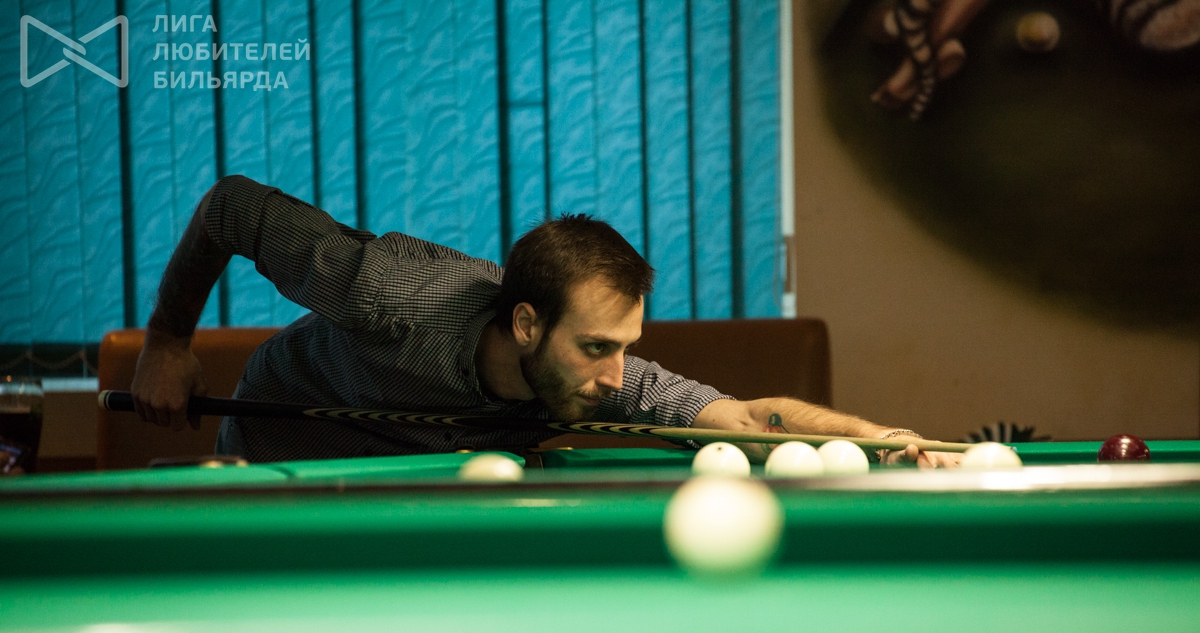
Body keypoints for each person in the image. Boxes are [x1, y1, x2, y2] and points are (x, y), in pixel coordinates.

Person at [131, 176, 959, 468]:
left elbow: (749, 421)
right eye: (596, 348)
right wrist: (167, 342)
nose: (615, 377)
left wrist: (878, 438)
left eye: (625, 349)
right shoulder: (387, 295)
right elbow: (233, 207)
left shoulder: (598, 376)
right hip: (291, 441)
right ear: (526, 324)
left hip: (419, 482)